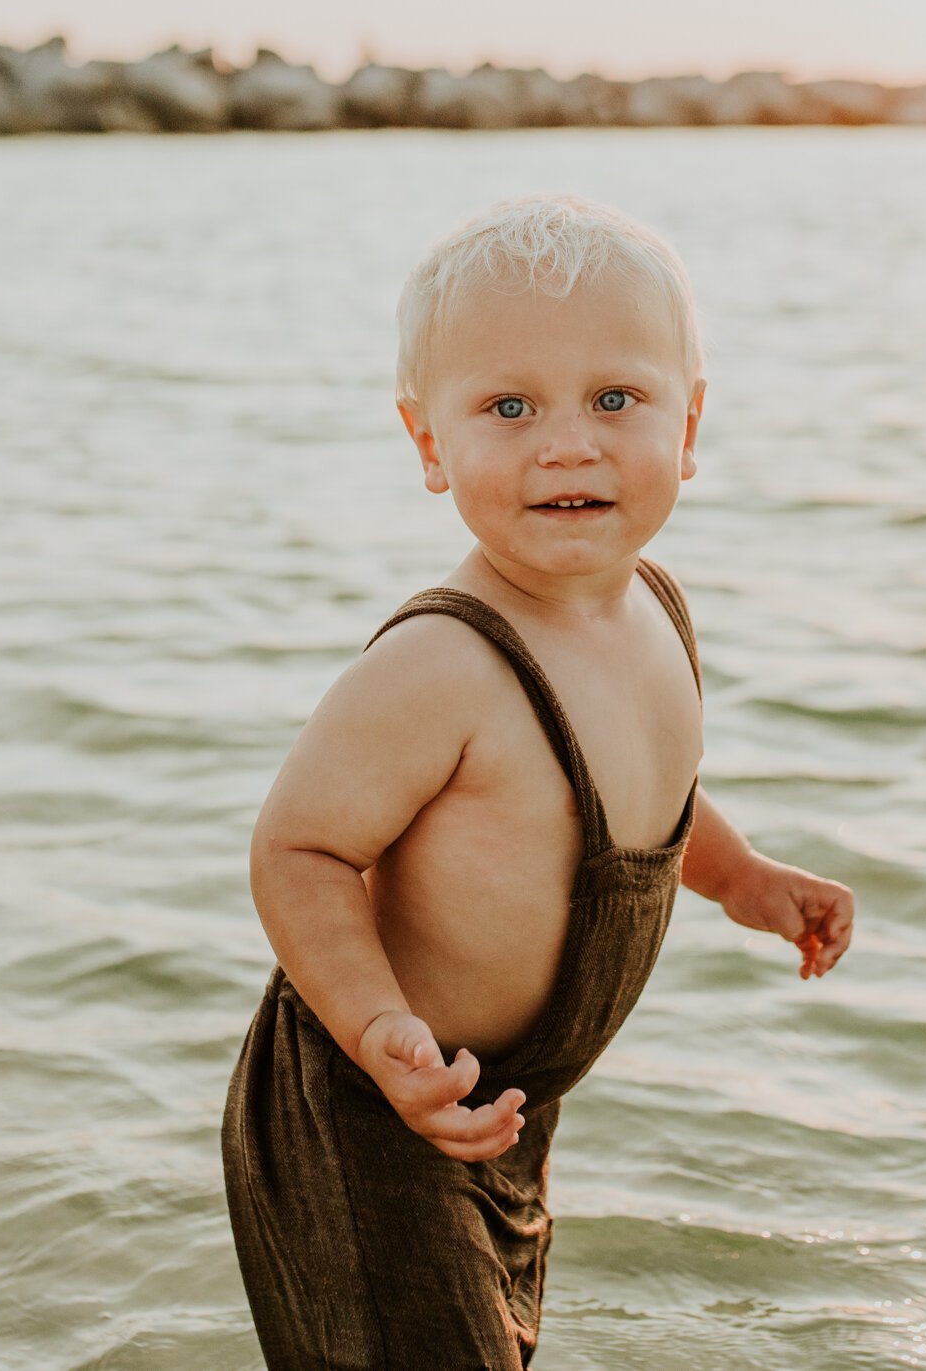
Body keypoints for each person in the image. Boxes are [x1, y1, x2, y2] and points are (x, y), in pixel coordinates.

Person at [222, 194, 854, 1369]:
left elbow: (628, 796)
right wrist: (378, 1031)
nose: (569, 443)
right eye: (508, 407)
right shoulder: (442, 663)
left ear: (691, 421)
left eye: (615, 398)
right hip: (369, 1110)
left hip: (500, 1113)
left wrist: (739, 876)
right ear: (427, 444)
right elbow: (297, 847)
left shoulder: (656, 613)